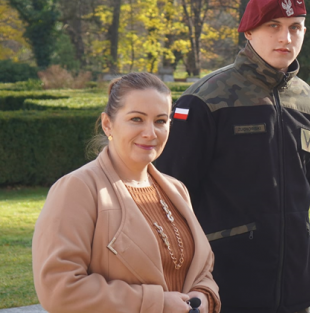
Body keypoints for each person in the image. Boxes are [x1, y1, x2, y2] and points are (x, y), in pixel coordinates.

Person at [155, 0, 310, 313]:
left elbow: (307, 185)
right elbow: (170, 194)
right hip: (224, 289)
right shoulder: (207, 99)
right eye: (273, 26)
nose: (285, 37)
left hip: (294, 289)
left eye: (295, 27)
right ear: (248, 32)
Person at [32, 72, 220, 313]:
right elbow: (59, 289)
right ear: (107, 123)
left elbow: (200, 270)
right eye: (136, 119)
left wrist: (204, 295)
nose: (150, 133)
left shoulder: (176, 190)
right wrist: (157, 303)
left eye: (161, 121)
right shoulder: (78, 188)